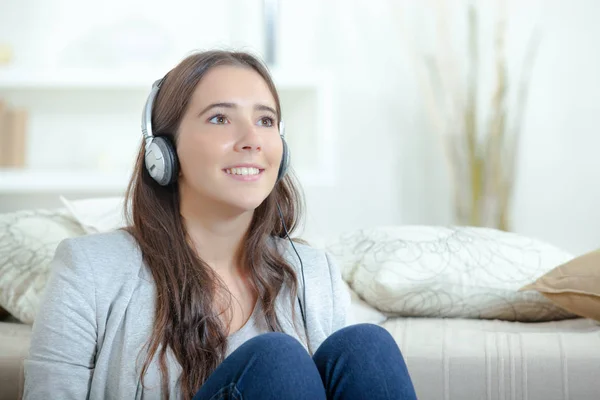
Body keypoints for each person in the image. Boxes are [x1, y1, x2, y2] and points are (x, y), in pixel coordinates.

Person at [23, 50, 418, 400]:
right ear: (163, 151)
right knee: (277, 361)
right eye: (220, 118)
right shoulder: (88, 268)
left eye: (265, 120)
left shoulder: (314, 273)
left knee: (368, 346)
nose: (252, 139)